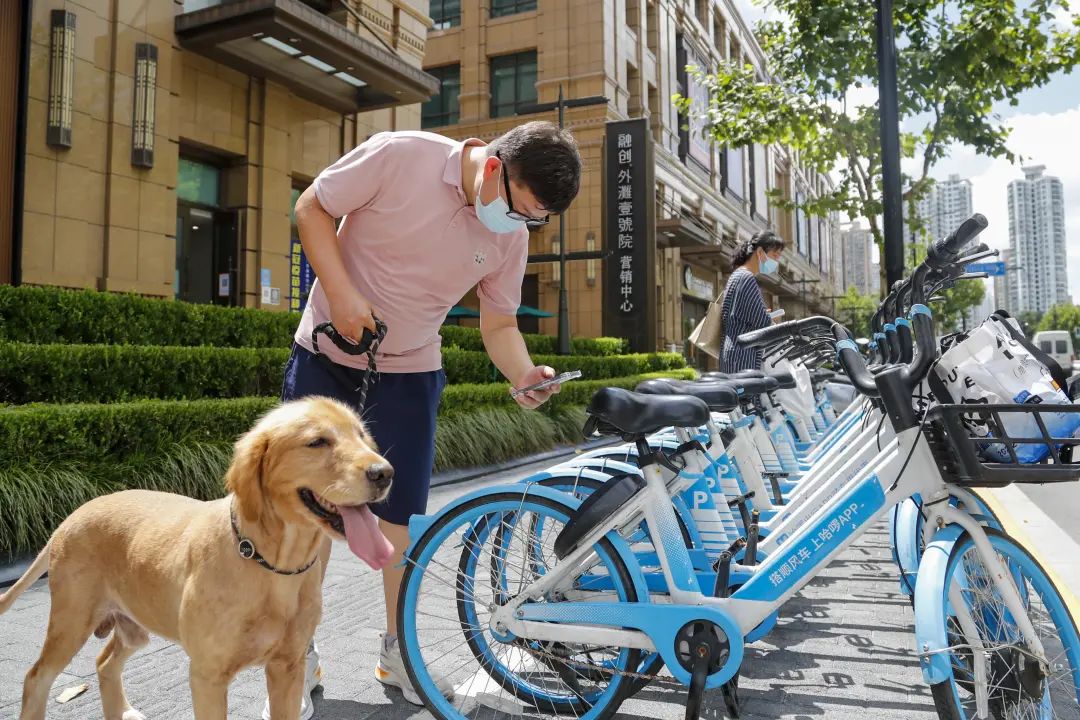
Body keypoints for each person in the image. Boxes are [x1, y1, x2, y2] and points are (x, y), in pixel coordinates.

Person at [264, 121, 582, 719]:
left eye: (537, 220)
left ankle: (398, 651)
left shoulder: (511, 235)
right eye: (524, 210)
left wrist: (523, 376)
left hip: (409, 372)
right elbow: (311, 207)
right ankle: (294, 655)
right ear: (494, 169)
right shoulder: (398, 155)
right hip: (326, 360)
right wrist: (340, 290)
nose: (523, 227)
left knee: (400, 523)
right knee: (303, 518)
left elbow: (500, 325)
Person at [718, 230, 785, 373]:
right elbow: (762, 323)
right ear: (760, 252)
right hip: (742, 358)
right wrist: (772, 319)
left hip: (733, 354)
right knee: (747, 395)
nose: (776, 262)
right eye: (775, 255)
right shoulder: (747, 278)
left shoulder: (737, 275)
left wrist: (761, 313)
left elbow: (743, 314)